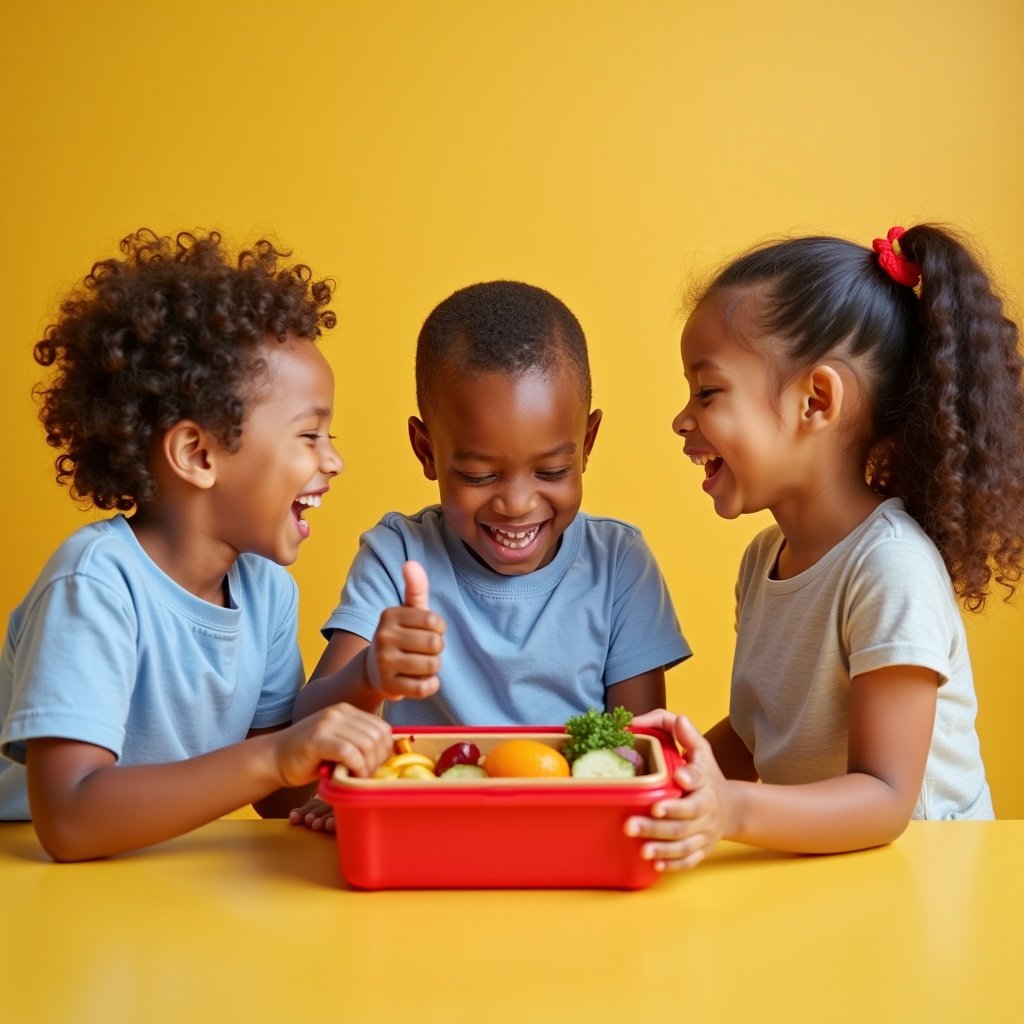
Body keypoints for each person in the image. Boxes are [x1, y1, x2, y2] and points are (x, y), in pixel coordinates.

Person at [624, 224, 1024, 870]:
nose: (682, 419)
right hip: (827, 876)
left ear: (816, 399)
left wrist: (731, 809)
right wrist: (665, 776)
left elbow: (885, 798)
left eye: (708, 392)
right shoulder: (763, 561)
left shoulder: (889, 568)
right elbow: (761, 737)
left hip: (919, 887)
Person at [0, 229, 393, 861]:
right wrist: (276, 753)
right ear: (198, 454)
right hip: (37, 891)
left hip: (165, 883)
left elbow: (276, 794)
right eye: (309, 435)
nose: (335, 460)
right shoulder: (96, 585)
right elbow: (69, 821)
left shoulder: (265, 592)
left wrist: (366, 682)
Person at [290, 280, 690, 827]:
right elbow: (300, 737)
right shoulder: (397, 556)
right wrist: (367, 675)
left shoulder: (620, 564)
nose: (517, 504)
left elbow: (637, 753)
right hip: (427, 832)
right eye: (479, 475)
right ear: (426, 450)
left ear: (588, 445)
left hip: (570, 834)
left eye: (552, 471)